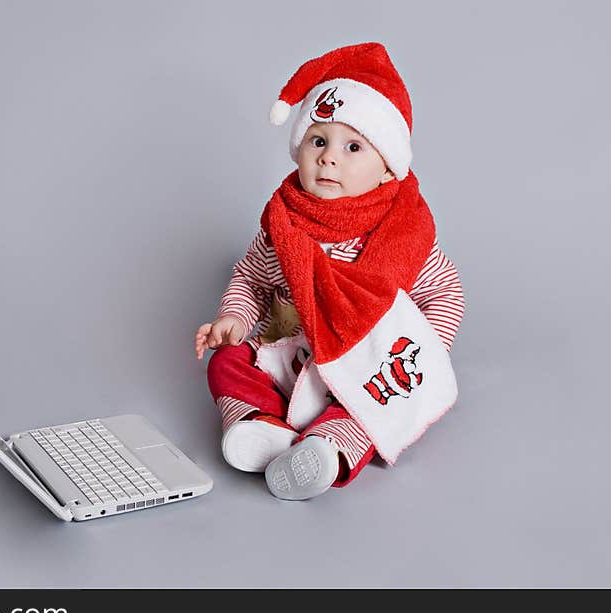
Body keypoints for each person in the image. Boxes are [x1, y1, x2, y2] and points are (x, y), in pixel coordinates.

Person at [194, 42, 465, 501]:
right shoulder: (283, 223)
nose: (329, 157)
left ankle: (329, 448)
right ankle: (256, 425)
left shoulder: (399, 235)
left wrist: (419, 348)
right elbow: (251, 280)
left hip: (360, 366)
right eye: (318, 141)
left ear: (386, 170)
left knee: (368, 406)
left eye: (353, 146)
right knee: (227, 360)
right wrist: (234, 321)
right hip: (290, 353)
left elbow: (446, 294)